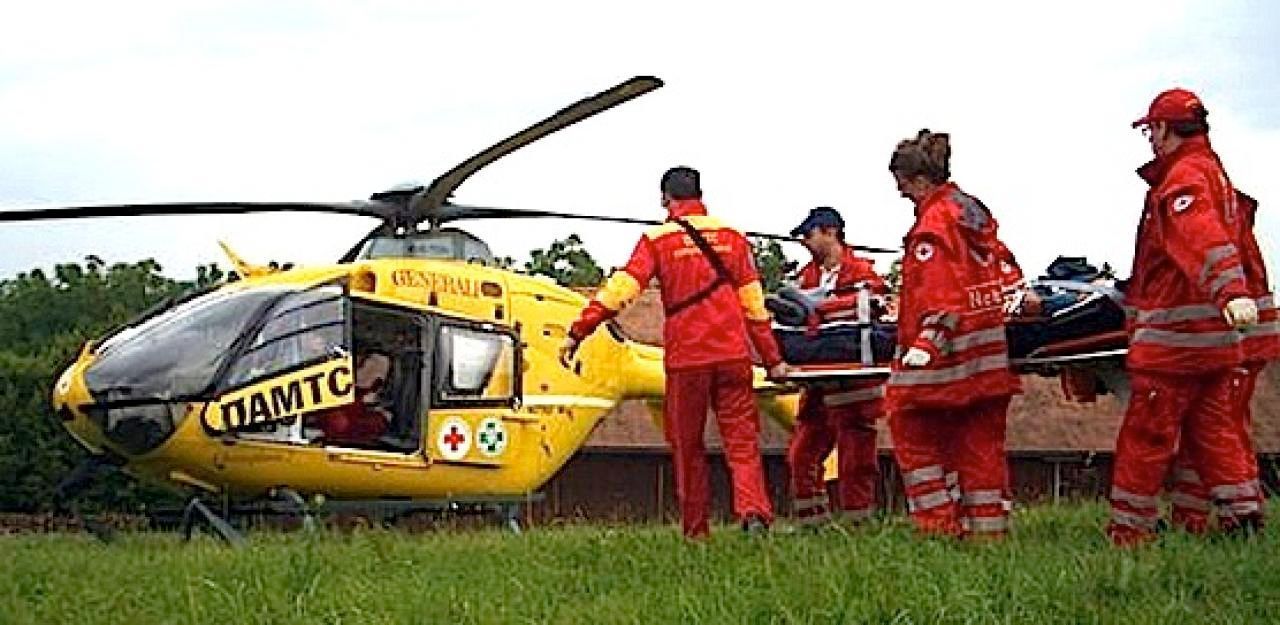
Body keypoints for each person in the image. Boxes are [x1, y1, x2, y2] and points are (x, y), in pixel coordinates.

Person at [560, 166, 789, 539]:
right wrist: (773, 359)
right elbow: (754, 305)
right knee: (743, 443)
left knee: (688, 446)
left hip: (688, 359)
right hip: (733, 355)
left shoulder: (657, 240)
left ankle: (696, 531)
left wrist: (580, 330)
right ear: (700, 194)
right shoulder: (733, 237)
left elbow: (622, 290)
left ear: (666, 199)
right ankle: (753, 514)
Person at [1110, 89, 1271, 544]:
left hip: (1176, 345)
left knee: (1147, 437)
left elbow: (1201, 238)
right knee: (1217, 432)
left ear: (1163, 129)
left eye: (1151, 132)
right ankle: (1244, 520)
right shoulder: (1212, 172)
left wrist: (1230, 290)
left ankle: (1130, 532)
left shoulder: (1184, 179)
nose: (1150, 142)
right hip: (1216, 343)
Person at [885, 129, 1021, 539]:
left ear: (920, 180)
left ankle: (937, 527)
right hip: (990, 360)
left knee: (907, 424)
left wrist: (925, 346)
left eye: (903, 186)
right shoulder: (973, 214)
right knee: (979, 446)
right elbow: (1008, 274)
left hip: (947, 360)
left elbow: (941, 295)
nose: (902, 195)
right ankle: (988, 535)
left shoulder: (933, 227)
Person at [783, 207, 887, 526]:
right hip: (817, 384)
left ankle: (859, 522)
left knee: (856, 456)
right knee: (802, 454)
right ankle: (812, 524)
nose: (804, 242)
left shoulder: (863, 274)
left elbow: (878, 306)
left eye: (809, 235)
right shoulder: (806, 277)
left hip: (855, 385)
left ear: (831, 232)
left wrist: (821, 309)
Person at [317, 350, 392, 445]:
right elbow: (340, 425)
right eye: (371, 366)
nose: (378, 375)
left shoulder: (377, 399)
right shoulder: (334, 389)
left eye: (382, 372)